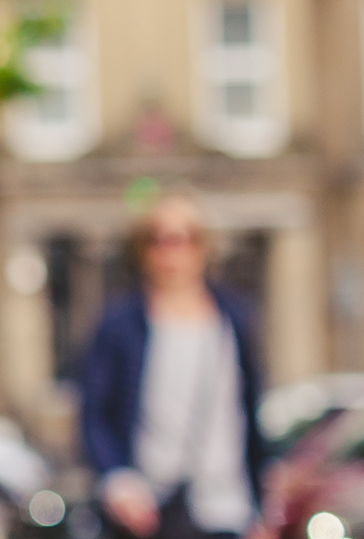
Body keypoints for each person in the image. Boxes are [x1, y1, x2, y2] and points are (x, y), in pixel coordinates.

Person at [78, 194, 268, 539]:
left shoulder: (234, 318)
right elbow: (95, 414)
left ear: (202, 246)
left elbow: (249, 415)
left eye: (184, 239)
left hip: (225, 508)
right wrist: (118, 481)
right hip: (150, 510)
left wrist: (262, 507)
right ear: (142, 249)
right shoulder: (121, 325)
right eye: (158, 240)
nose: (171, 252)